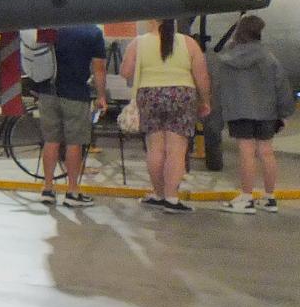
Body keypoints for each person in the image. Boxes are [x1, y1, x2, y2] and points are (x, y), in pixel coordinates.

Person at [121, 17, 210, 213]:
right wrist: (205, 100)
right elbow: (202, 75)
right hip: (181, 95)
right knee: (176, 150)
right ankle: (171, 198)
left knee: (155, 149)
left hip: (149, 94)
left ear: (152, 21)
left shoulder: (138, 43)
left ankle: (159, 194)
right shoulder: (188, 43)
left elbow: (125, 72)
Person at [214, 15, 288, 214]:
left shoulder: (228, 58)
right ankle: (269, 198)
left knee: (246, 152)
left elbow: (220, 86)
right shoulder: (269, 57)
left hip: (239, 111)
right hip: (267, 111)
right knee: (266, 152)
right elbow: (281, 85)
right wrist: (283, 113)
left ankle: (246, 198)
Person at [38, 23, 107, 207]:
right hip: (76, 94)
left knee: (51, 141)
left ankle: (47, 189)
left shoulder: (52, 27)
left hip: (48, 92)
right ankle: (72, 192)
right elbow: (99, 68)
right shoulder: (92, 32)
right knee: (74, 143)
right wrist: (101, 95)